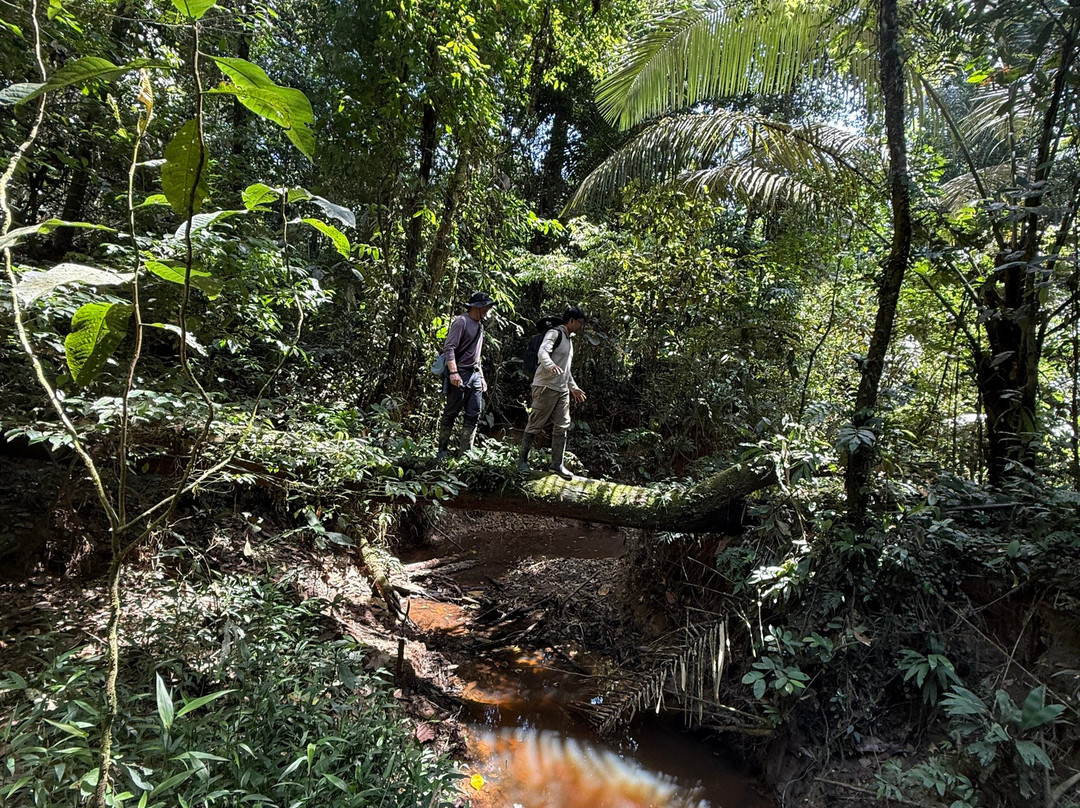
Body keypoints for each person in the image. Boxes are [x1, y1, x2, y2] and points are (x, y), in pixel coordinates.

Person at [518, 306, 588, 479]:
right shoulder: (554, 333)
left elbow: (565, 370)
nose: (580, 326)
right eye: (580, 322)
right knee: (535, 423)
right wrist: (550, 366)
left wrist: (574, 388)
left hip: (562, 389)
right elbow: (543, 352)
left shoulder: (569, 340)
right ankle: (522, 461)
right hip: (545, 386)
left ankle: (557, 464)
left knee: (562, 425)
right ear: (571, 320)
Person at [435, 292, 495, 460]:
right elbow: (449, 348)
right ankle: (442, 452)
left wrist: (482, 377)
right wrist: (453, 372)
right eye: (487, 307)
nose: (488, 310)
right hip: (459, 373)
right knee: (451, 412)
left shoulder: (480, 326)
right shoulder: (461, 322)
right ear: (479, 307)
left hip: (474, 374)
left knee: (474, 413)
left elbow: (477, 354)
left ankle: (465, 454)